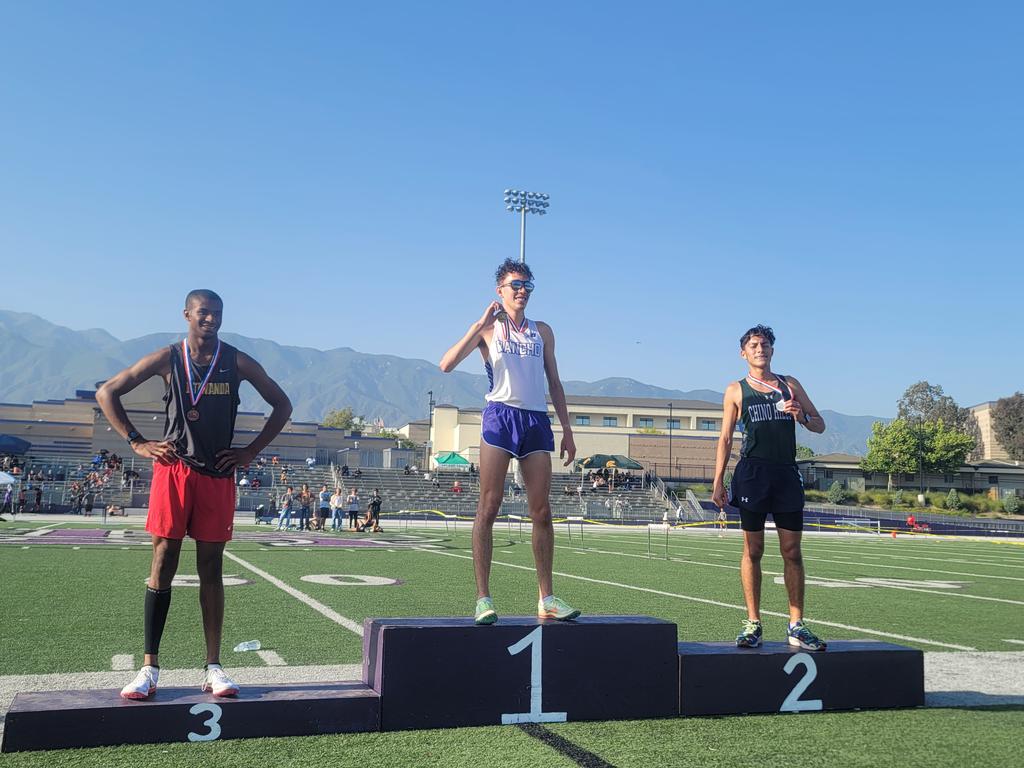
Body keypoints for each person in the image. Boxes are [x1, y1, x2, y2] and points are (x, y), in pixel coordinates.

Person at [96, 288, 291, 700]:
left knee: (211, 568)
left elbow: (282, 404)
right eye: (203, 312)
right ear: (186, 314)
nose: (211, 319)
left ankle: (214, 667)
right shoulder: (169, 357)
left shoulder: (235, 360)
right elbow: (107, 391)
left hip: (217, 475)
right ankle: (149, 667)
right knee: (163, 561)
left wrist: (251, 451)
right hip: (175, 471)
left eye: (217, 313)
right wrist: (136, 441)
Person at [439, 258, 579, 625]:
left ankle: (546, 597)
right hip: (500, 416)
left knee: (542, 511)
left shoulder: (542, 331)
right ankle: (483, 598)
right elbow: (446, 364)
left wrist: (567, 429)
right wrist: (478, 325)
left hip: (534, 419)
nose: (522, 291)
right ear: (499, 290)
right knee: (490, 505)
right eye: (515, 285)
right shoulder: (487, 330)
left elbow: (555, 383)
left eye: (528, 286)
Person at [711, 325, 827, 652]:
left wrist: (801, 414)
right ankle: (753, 623)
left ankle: (796, 624)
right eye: (753, 344)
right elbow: (724, 438)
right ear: (743, 352)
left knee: (792, 551)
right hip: (752, 474)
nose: (759, 348)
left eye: (764, 344)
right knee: (753, 550)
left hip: (786, 473)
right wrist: (718, 480)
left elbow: (820, 424)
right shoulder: (736, 389)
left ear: (773, 350)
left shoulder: (790, 385)